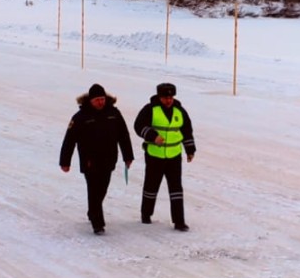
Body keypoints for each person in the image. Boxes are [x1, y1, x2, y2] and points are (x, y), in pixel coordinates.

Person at [59, 83, 135, 235]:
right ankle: (97, 223)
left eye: (102, 99)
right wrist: (65, 161)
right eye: (97, 100)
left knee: (102, 189)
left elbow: (123, 136)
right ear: (90, 101)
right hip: (90, 161)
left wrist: (128, 156)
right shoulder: (80, 117)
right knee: (93, 190)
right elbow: (69, 140)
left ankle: (92, 211)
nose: (100, 102)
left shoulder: (114, 114)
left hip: (109, 159)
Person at [133, 81, 197, 231]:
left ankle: (179, 221)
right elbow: (138, 126)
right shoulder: (150, 110)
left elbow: (187, 130)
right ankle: (146, 214)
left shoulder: (180, 111)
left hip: (174, 156)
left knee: (176, 189)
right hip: (155, 156)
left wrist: (190, 150)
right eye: (165, 98)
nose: (168, 100)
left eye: (171, 97)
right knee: (151, 186)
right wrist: (152, 136)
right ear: (159, 97)